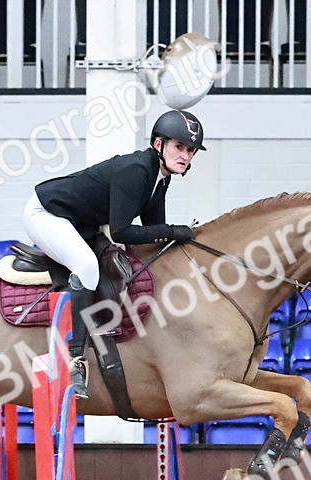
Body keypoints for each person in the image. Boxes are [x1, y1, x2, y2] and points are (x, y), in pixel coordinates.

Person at [23, 109, 206, 398]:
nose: (185, 155)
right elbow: (121, 232)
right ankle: (75, 360)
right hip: (47, 213)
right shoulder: (136, 172)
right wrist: (173, 231)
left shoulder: (161, 177)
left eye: (190, 150)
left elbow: (153, 231)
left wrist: (178, 238)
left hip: (80, 223)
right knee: (86, 267)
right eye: (179, 147)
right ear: (159, 145)